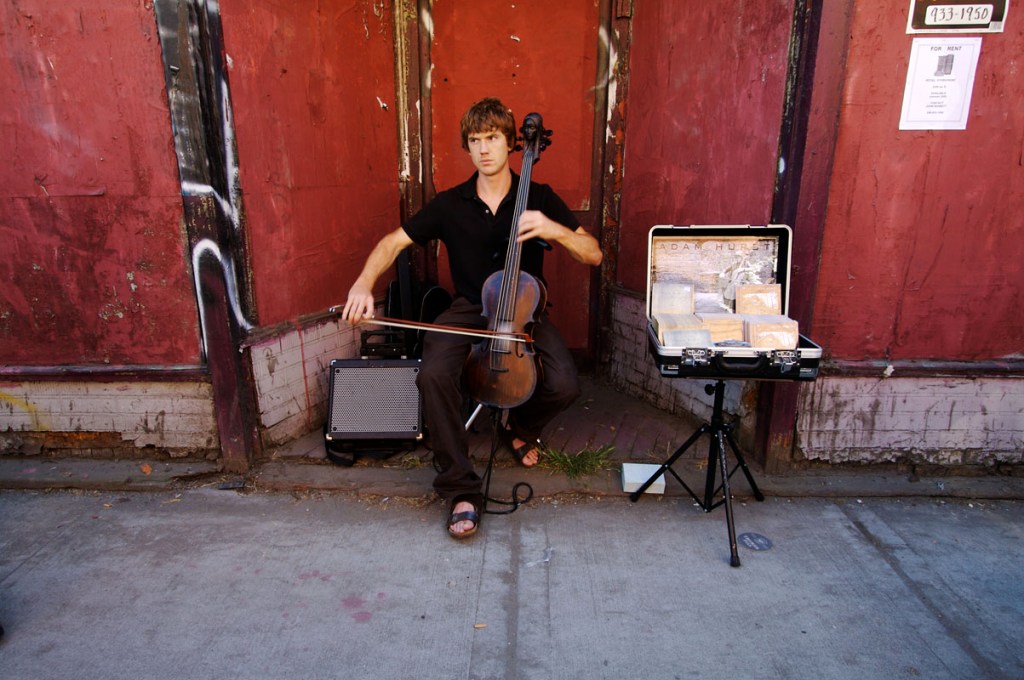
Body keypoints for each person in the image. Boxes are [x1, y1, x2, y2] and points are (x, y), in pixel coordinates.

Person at [342, 97, 602, 539]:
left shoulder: (537, 197)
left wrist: (554, 228)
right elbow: (392, 242)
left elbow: (592, 253)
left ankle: (519, 427)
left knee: (564, 383)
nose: (484, 149)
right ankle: (461, 487)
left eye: (493, 139)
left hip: (524, 312)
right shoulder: (450, 204)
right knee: (432, 374)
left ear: (511, 144)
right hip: (470, 307)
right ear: (467, 147)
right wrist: (363, 283)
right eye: (475, 140)